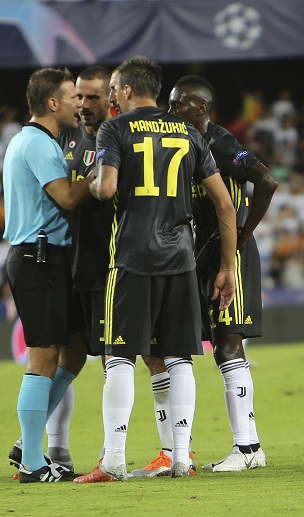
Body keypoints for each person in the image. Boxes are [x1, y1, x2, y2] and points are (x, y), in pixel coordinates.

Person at [73, 56, 237, 483]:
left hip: (131, 257)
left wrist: (92, 179)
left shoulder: (115, 128)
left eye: (112, 88)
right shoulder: (186, 131)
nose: (110, 95)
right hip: (180, 258)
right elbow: (223, 202)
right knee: (179, 356)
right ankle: (181, 457)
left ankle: (112, 459)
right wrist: (227, 266)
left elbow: (106, 188)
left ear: (126, 90)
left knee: (120, 356)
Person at [165, 75, 277, 472]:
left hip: (230, 257)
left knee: (229, 345)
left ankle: (247, 449)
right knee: (210, 346)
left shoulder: (221, 143)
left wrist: (244, 233)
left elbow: (266, 179)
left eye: (177, 103)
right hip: (200, 256)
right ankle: (247, 449)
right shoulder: (182, 143)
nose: (170, 109)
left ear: (200, 108)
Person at [7, 65, 114, 476]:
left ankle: (27, 442)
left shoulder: (33, 140)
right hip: (39, 258)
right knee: (42, 358)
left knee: (73, 350)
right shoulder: (37, 144)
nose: (79, 104)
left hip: (48, 258)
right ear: (53, 103)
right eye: (73, 97)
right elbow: (68, 198)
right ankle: (34, 461)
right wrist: (99, 174)